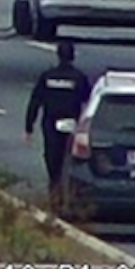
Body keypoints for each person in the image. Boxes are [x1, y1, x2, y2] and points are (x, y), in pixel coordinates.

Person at [24, 41, 91, 201]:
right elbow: (88, 101)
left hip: (50, 122)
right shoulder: (79, 78)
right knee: (68, 156)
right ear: (73, 56)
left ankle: (55, 187)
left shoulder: (47, 77)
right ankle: (67, 189)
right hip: (71, 122)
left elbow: (35, 101)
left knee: (52, 155)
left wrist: (29, 127)